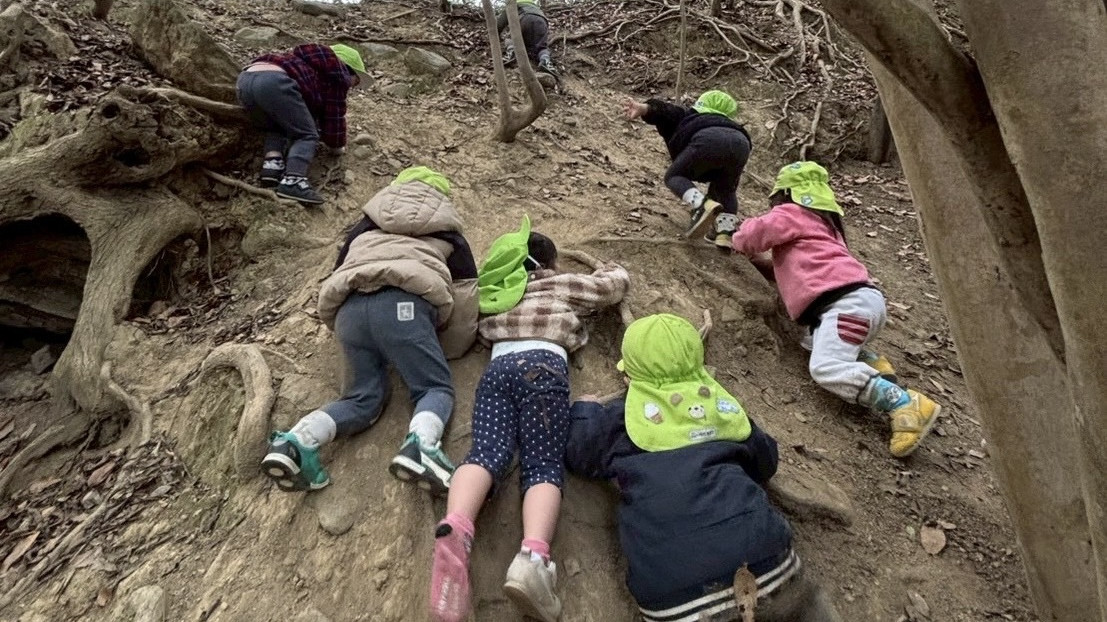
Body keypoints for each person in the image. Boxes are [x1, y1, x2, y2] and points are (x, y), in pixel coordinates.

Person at [566, 313, 843, 622]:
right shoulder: (722, 410)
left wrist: (586, 409)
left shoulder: (621, 419)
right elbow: (767, 461)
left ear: (629, 375)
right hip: (766, 563)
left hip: (673, 591)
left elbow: (580, 453)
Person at [429, 216, 631, 622]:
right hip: (543, 365)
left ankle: (458, 525)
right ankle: (533, 559)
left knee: (486, 451)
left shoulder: (495, 292)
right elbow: (610, 287)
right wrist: (611, 268)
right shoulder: (557, 284)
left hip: (497, 370)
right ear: (548, 264)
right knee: (542, 465)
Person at [261, 167, 479, 493]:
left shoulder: (366, 223)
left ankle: (296, 441)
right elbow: (465, 293)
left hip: (349, 311)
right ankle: (422, 446)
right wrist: (451, 346)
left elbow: (341, 268)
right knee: (434, 388)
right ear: (441, 198)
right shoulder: (449, 232)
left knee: (361, 400)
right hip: (405, 307)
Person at [730, 161, 941, 458]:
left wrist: (734, 237)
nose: (774, 204)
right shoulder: (823, 226)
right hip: (859, 302)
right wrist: (756, 264)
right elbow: (790, 273)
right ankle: (872, 366)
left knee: (825, 367)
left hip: (845, 306)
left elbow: (756, 233)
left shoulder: (792, 213)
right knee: (811, 341)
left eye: (775, 198)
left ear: (787, 194)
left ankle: (904, 403)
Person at [236, 43, 368, 205]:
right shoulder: (338, 76)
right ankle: (294, 180)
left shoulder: (304, 64)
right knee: (307, 134)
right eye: (356, 82)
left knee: (276, 125)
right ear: (349, 71)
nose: (352, 87)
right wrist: (337, 146)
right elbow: (334, 118)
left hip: (245, 80)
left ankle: (272, 167)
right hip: (275, 82)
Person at [623, 89, 752, 249]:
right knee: (726, 189)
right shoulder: (731, 124)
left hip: (708, 138)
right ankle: (724, 233)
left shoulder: (688, 115)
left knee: (674, 176)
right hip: (741, 143)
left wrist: (643, 108)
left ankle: (702, 205)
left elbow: (665, 110)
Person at [497, 0, 558, 84]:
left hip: (524, 17)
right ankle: (545, 60)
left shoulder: (512, 4)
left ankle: (512, 52)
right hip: (542, 21)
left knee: (510, 38)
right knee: (541, 47)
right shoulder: (534, 6)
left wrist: (497, 34)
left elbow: (500, 24)